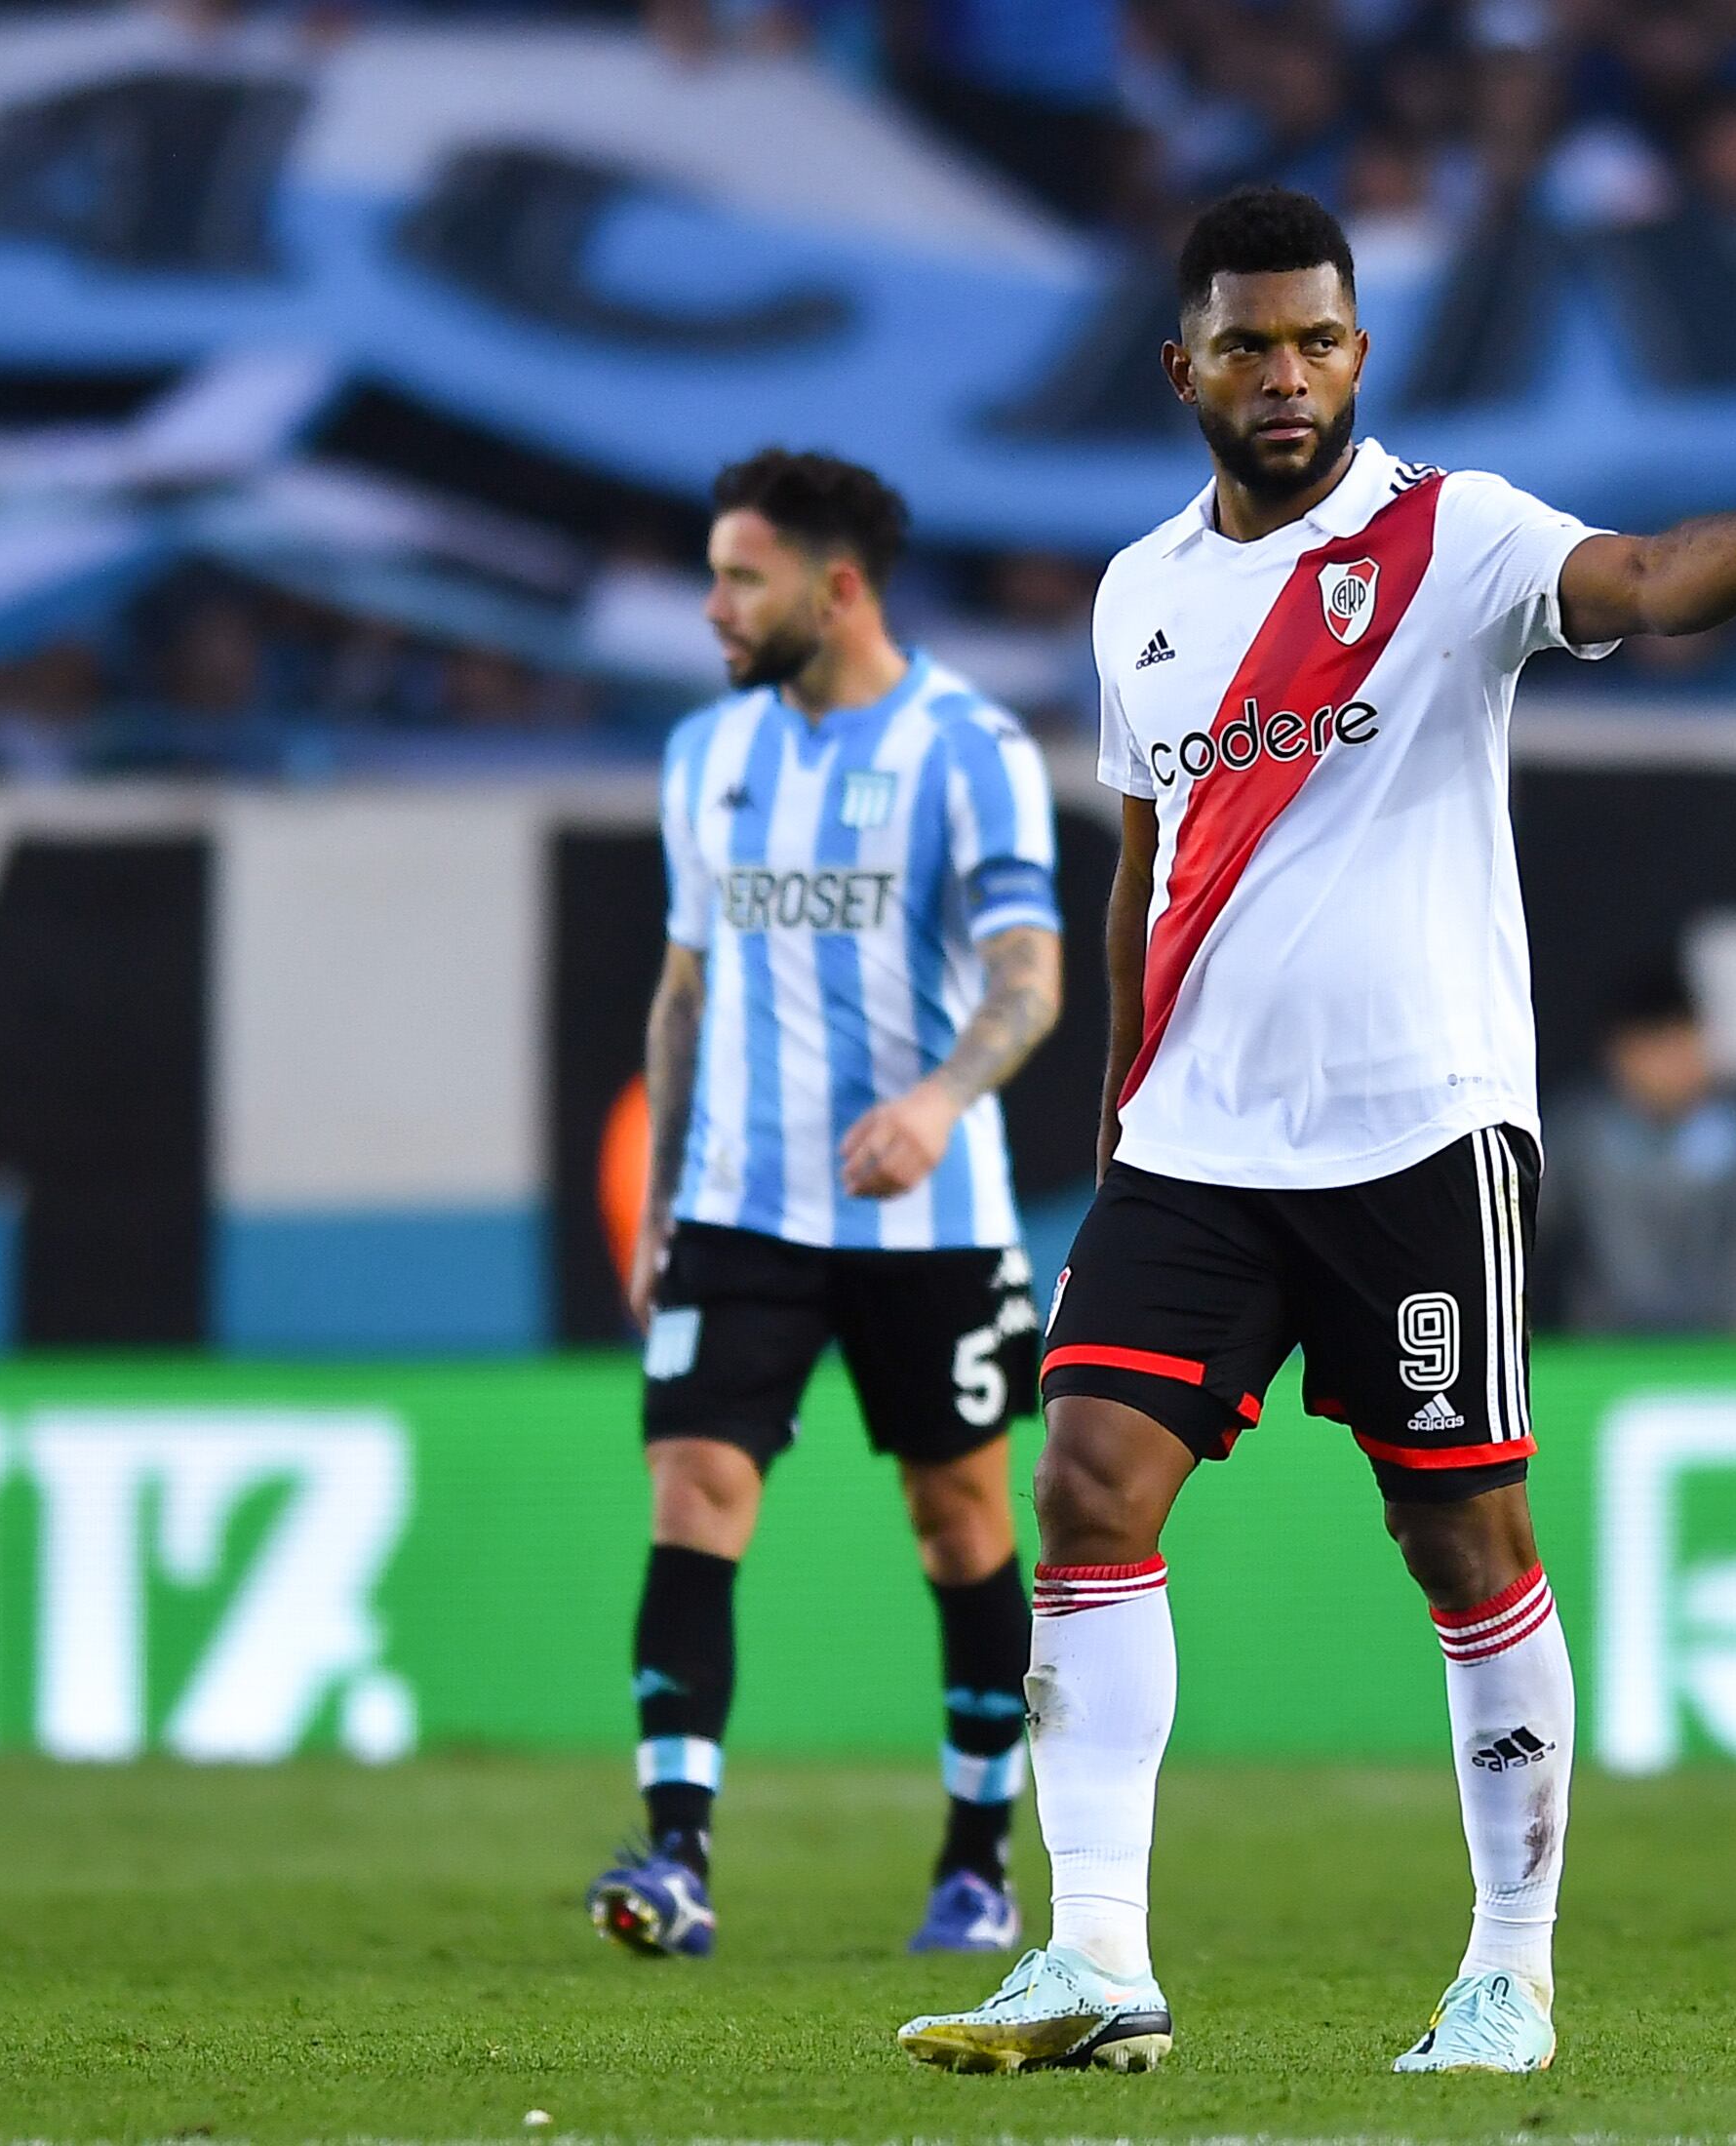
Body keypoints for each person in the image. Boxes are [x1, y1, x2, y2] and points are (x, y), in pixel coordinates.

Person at [895, 185, 1736, 2078]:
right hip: (1192, 1140)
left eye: (1323, 340)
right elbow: (1148, 876)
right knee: (1088, 1482)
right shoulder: (1142, 596)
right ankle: (1095, 1949)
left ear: (1364, 351)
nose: (1290, 375)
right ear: (1182, 364)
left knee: (1462, 1535)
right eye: (1251, 344)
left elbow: (1655, 585)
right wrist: (1120, 1104)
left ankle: (1509, 1967)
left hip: (1418, 1136)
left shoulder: (1452, 536)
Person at [585, 449, 1064, 1962]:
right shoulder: (706, 757)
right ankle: (675, 1863)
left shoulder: (969, 747)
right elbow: (682, 993)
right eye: (712, 575)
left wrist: (935, 1103)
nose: (713, 607)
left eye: (741, 578)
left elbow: (1029, 980)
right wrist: (661, 1207)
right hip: (741, 1204)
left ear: (835, 586)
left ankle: (977, 1864)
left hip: (931, 1216)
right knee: (694, 1492)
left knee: (960, 1519)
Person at [1550, 966, 1736, 1336]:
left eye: (1682, 1042)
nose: (1671, 1065)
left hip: (1722, 1354)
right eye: (1653, 1048)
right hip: (1604, 1352)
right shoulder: (1580, 1135)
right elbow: (1515, 1229)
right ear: (1619, 1055)